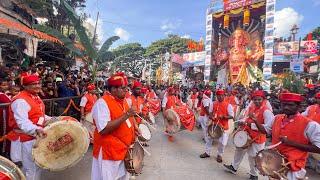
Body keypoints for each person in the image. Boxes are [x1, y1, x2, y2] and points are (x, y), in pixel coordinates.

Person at [259, 92, 320, 180]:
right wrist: (254, 121)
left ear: (299, 107)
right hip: (274, 164)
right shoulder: (277, 118)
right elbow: (265, 130)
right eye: (284, 104)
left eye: (290, 105)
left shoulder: (310, 125)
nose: (286, 107)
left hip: (293, 169)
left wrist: (292, 143)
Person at [91, 72, 139, 180]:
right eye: (123, 88)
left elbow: (127, 120)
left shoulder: (124, 101)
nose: (126, 90)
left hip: (123, 150)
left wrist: (134, 128)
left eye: (126, 87)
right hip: (109, 154)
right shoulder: (102, 103)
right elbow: (103, 129)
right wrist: (127, 115)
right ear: (113, 89)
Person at [224, 90, 274, 180]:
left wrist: (251, 125)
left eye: (259, 99)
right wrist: (242, 122)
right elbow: (247, 118)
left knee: (253, 156)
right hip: (247, 134)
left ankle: (254, 174)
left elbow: (268, 128)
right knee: (239, 150)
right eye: (255, 99)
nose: (257, 101)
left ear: (263, 99)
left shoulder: (267, 111)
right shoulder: (252, 108)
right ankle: (234, 167)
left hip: (257, 138)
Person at [8, 74, 48, 180]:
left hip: (35, 136)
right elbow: (22, 122)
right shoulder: (20, 101)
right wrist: (35, 129)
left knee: (37, 167)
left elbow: (38, 115)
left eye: (38, 83)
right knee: (31, 169)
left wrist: (52, 119)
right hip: (25, 139)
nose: (38, 86)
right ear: (25, 86)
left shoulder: (35, 96)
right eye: (33, 84)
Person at [202, 89, 233, 163]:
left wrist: (224, 117)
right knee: (209, 139)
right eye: (218, 95)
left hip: (223, 126)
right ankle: (207, 152)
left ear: (224, 96)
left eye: (222, 95)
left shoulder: (228, 105)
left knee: (222, 143)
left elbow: (232, 116)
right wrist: (211, 116)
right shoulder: (213, 103)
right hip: (213, 125)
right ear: (216, 96)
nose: (220, 97)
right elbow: (210, 112)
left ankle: (219, 155)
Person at [197, 90, 213, 156]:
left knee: (205, 129)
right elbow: (206, 108)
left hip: (204, 116)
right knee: (205, 129)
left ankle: (206, 139)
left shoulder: (206, 98)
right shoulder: (206, 99)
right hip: (204, 116)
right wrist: (210, 116)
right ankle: (206, 140)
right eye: (210, 94)